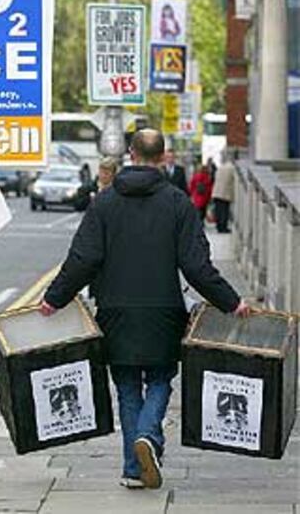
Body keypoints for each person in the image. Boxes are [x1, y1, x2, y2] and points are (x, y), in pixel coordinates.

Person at [39, 129, 249, 490]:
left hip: (115, 311)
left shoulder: (104, 203)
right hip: (163, 311)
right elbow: (197, 266)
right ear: (163, 156)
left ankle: (134, 469)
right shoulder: (178, 202)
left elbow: (83, 259)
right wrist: (232, 301)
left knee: (125, 388)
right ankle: (149, 437)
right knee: (160, 379)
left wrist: (54, 298)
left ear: (131, 154)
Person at [212, 154, 235, 233]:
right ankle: (223, 227)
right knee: (224, 211)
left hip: (216, 192)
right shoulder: (232, 168)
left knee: (218, 210)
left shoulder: (221, 167)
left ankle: (218, 226)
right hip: (225, 193)